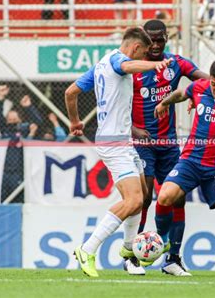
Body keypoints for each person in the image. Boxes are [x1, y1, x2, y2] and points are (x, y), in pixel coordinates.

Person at [65, 27, 172, 277]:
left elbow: (71, 92)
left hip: (121, 139)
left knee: (143, 196)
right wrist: (152, 66)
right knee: (133, 200)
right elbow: (126, 67)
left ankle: (127, 249)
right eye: (143, 53)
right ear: (135, 49)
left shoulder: (100, 65)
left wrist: (75, 122)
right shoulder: (116, 60)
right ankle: (87, 249)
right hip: (114, 144)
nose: (145, 57)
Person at [153, 58, 215, 276]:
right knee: (164, 197)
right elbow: (181, 93)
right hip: (191, 162)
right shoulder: (200, 87)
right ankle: (164, 242)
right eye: (214, 84)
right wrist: (164, 103)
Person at [131, 19, 209, 276]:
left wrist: (199, 95)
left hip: (169, 145)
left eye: (160, 39)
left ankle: (172, 259)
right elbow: (113, 107)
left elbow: (208, 81)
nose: (155, 45)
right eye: (150, 40)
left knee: (177, 199)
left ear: (166, 38)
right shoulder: (133, 68)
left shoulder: (176, 63)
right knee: (143, 198)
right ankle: (132, 255)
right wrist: (133, 130)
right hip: (142, 144)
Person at [0, 88, 42, 203]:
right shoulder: (5, 130)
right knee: (2, 200)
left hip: (18, 172)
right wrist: (0, 98)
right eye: (9, 119)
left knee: (18, 200)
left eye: (14, 119)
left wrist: (29, 106)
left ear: (19, 120)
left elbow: (38, 122)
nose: (11, 121)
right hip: (4, 172)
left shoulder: (23, 129)